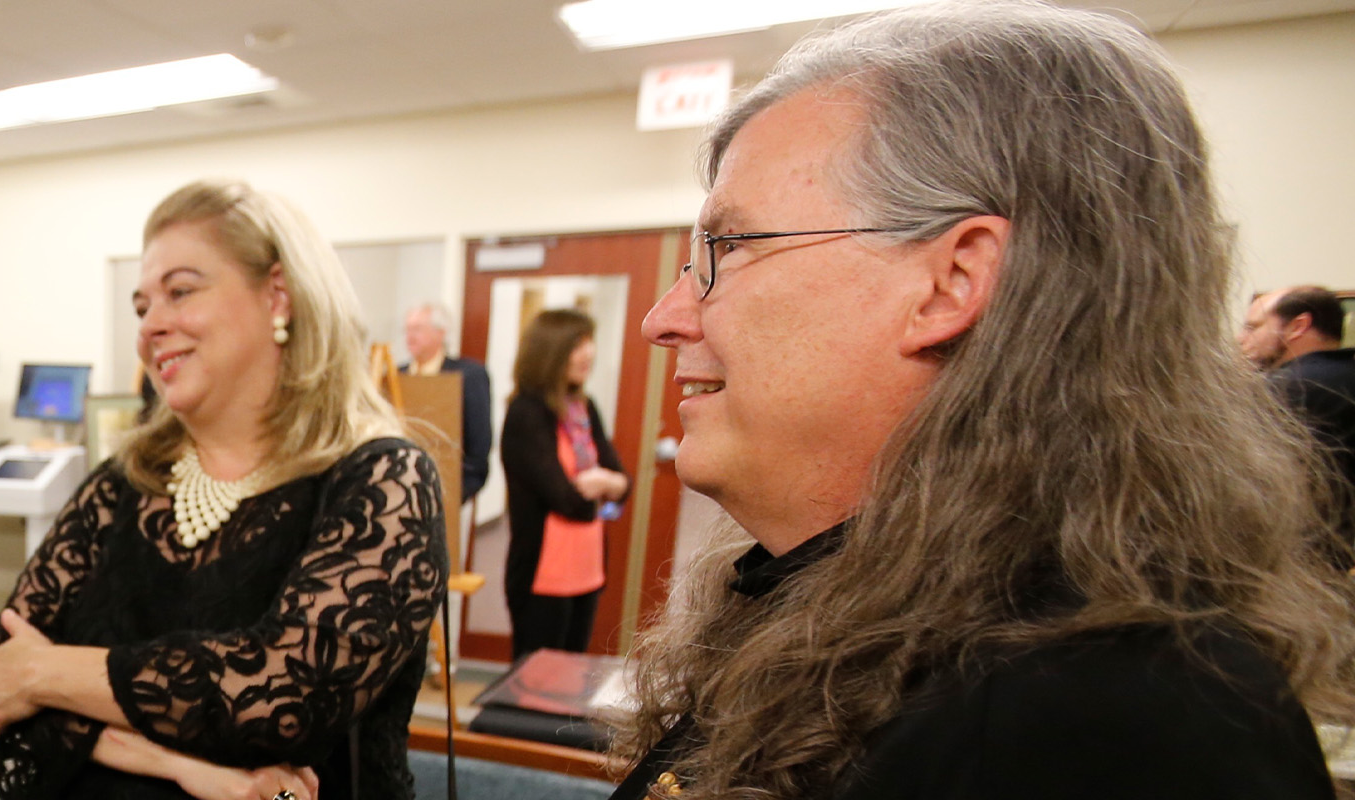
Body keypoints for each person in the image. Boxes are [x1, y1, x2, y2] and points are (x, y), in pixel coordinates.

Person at [612, 3, 1355, 798]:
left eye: (725, 251)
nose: (665, 319)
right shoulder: (836, 602)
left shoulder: (1107, 721)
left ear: (954, 281)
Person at [0, 179, 448, 800]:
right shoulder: (122, 486)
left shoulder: (382, 482)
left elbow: (281, 694)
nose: (152, 327)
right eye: (142, 308)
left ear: (278, 295)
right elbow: (4, 680)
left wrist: (50, 671)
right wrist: (194, 772)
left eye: (181, 292)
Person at [499, 309, 627, 656]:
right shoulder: (527, 413)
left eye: (589, 343)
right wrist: (606, 485)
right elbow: (567, 500)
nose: (589, 354)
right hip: (544, 574)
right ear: (550, 352)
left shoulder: (585, 408)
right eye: (576, 345)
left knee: (571, 681)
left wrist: (603, 482)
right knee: (536, 686)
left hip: (588, 567)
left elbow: (623, 483)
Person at [1243, 286, 1355, 565]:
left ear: (1298, 326)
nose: (1241, 339)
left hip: (1298, 563)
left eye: (1253, 327)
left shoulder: (1286, 387)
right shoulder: (1344, 377)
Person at [400, 302, 493, 503]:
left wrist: (462, 489)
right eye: (407, 329)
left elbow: (479, 440)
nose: (410, 336)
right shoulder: (395, 375)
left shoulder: (468, 376)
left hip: (449, 490)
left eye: (417, 329)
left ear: (440, 333)